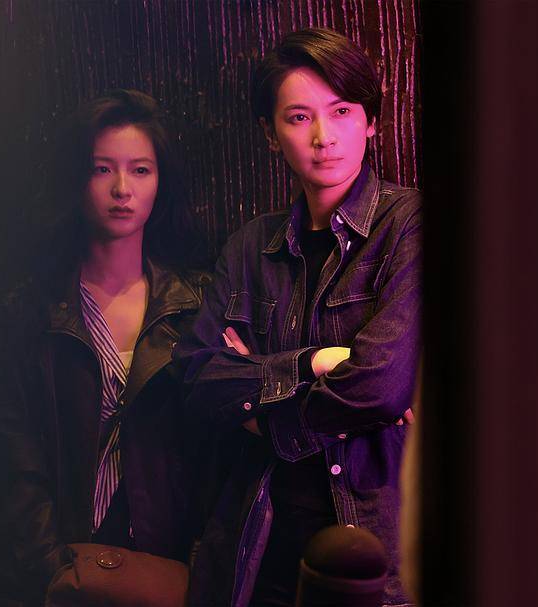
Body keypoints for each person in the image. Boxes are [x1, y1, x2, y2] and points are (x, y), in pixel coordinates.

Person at [175, 28, 422, 607]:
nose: (323, 136)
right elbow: (196, 378)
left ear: (371, 122)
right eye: (298, 117)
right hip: (259, 551)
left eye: (341, 112)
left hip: (376, 557)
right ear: (270, 134)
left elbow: (380, 386)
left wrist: (262, 416)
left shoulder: (408, 226)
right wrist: (313, 362)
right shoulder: (249, 247)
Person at [0, 89, 211, 606]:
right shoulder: (30, 311)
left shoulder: (195, 307)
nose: (122, 189)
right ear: (76, 179)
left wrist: (198, 571)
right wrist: (52, 570)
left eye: (140, 170)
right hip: (58, 568)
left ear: (161, 182)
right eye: (101, 169)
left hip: (166, 568)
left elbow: (213, 458)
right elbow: (10, 458)